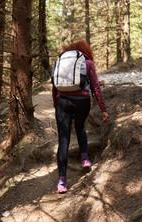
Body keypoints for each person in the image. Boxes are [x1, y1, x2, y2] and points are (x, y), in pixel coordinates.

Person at [52, 40, 109, 193]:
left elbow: (54, 86)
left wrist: (55, 104)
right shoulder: (88, 62)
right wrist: (103, 109)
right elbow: (96, 87)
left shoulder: (60, 61)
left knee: (63, 140)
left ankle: (62, 182)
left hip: (62, 102)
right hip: (82, 102)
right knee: (80, 126)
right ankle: (85, 158)